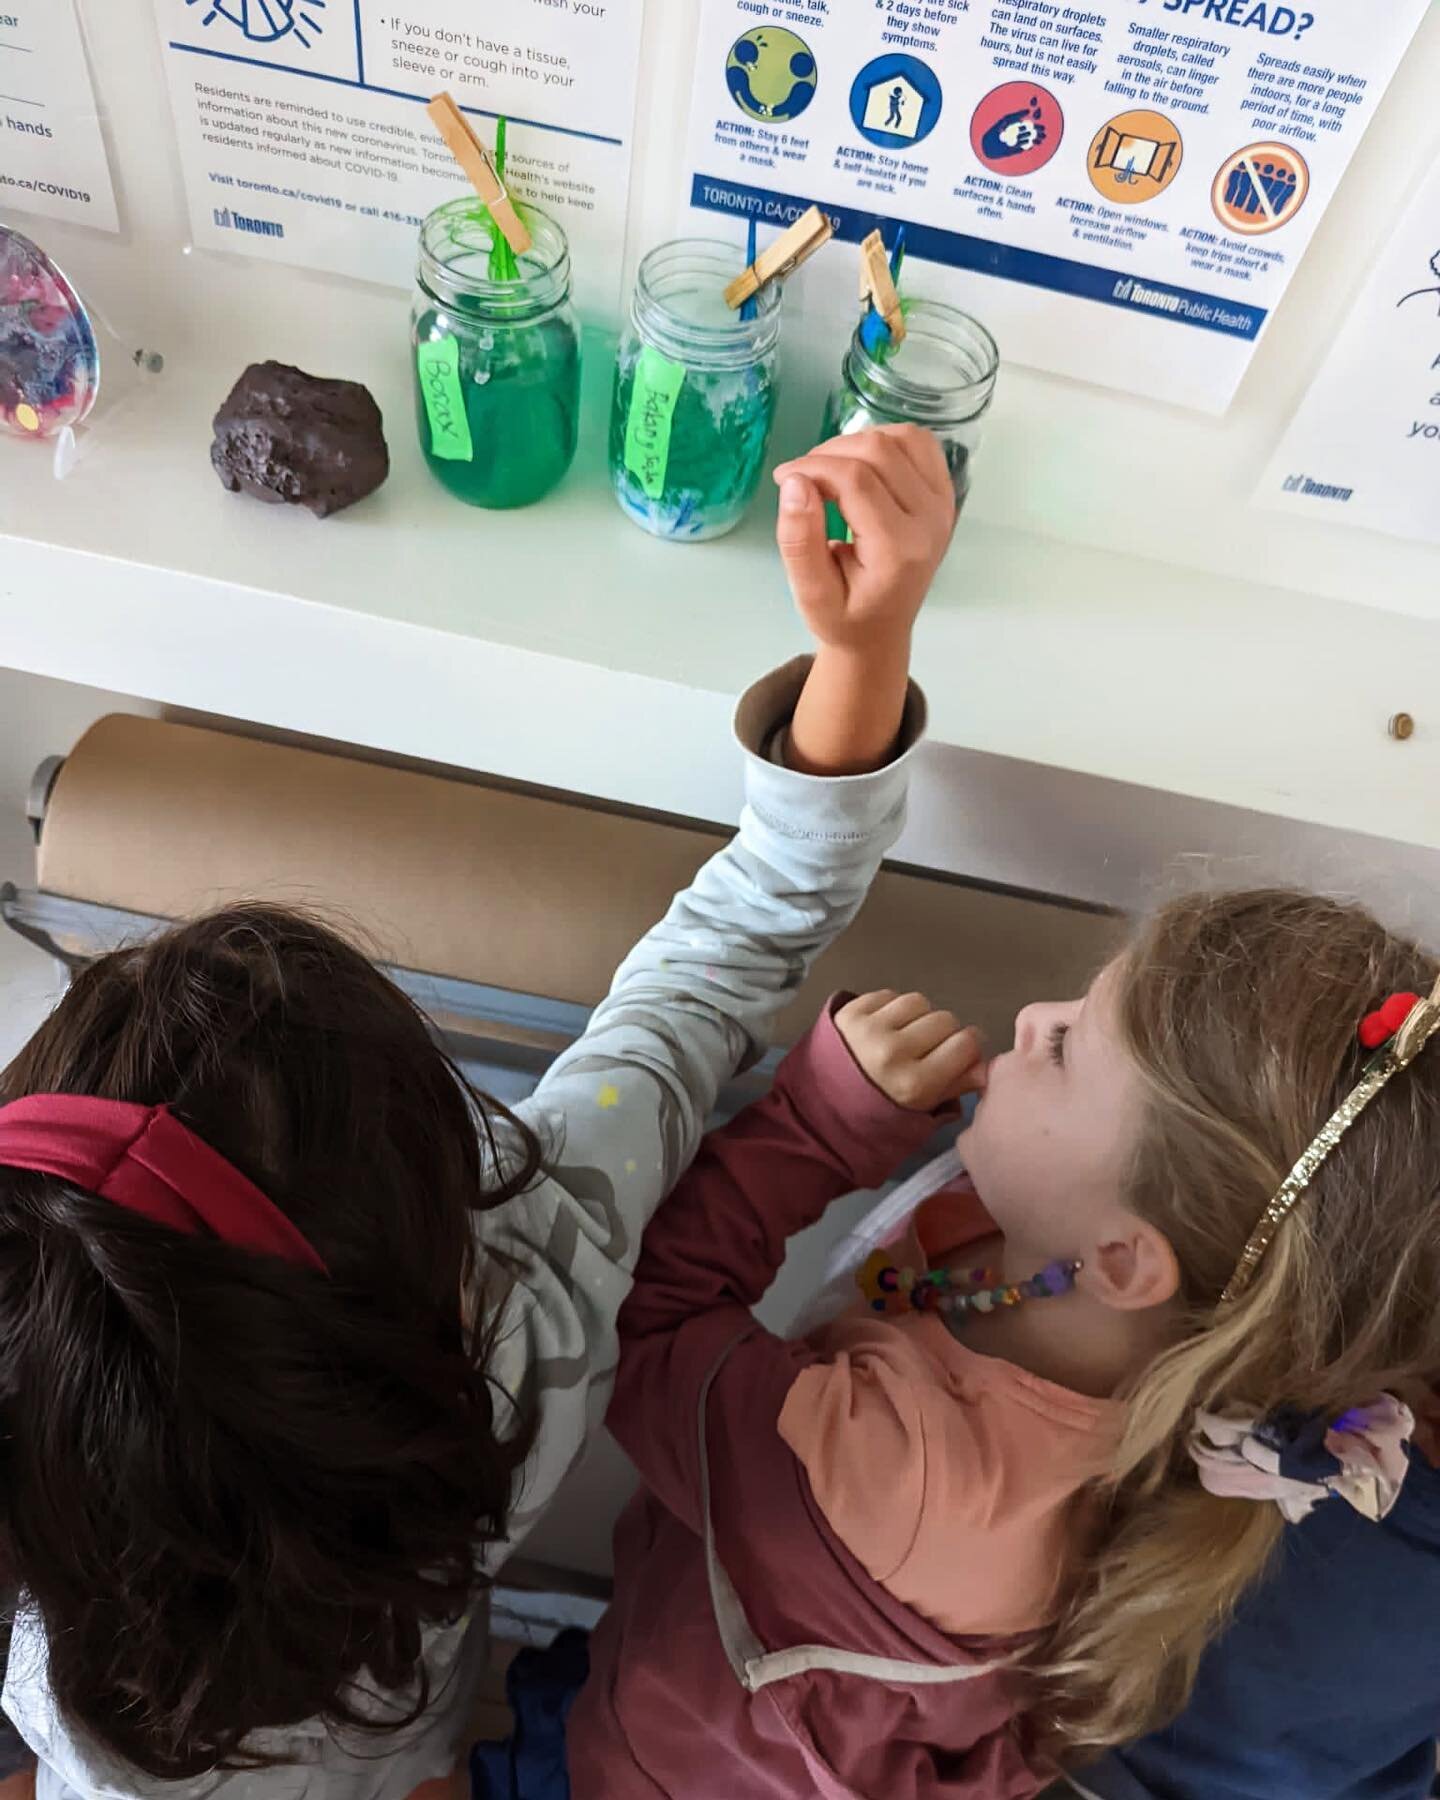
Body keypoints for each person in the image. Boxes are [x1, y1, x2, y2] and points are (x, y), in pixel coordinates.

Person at [0, 426, 959, 1800]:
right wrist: (864, 653)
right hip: (409, 1718)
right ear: (444, 1262)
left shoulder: (69, 1606)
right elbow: (709, 972)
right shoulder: (527, 1314)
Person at [569, 888, 1440, 1799]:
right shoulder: (1108, 1294)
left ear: (1122, 1259)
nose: (1028, 1018)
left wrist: (818, 1129)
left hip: (658, 1767)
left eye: (1063, 1047)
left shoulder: (909, 1482)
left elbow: (637, 1325)